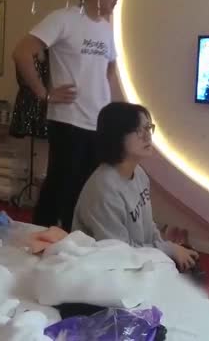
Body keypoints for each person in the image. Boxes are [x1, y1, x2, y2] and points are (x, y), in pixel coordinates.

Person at [12, 0, 121, 230]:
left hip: (97, 122)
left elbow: (110, 65)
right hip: (68, 120)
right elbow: (22, 52)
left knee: (86, 190)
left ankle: (74, 242)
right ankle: (41, 238)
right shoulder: (63, 19)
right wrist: (44, 93)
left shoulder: (106, 28)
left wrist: (99, 93)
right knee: (60, 186)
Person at [72, 102, 200, 272]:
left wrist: (167, 248)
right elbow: (119, 253)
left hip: (137, 259)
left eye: (148, 128)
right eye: (139, 131)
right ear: (116, 135)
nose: (147, 137)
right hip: (105, 270)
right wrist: (168, 251)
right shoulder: (104, 189)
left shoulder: (138, 173)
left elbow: (148, 225)